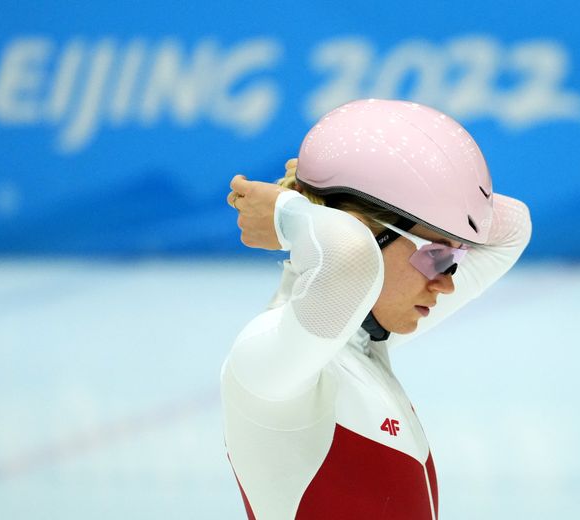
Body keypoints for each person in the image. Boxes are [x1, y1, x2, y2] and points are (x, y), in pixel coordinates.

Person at [221, 99, 531, 520]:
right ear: (366, 234)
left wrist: (315, 208)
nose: (447, 281)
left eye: (455, 258)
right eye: (436, 255)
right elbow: (349, 262)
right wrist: (291, 213)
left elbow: (513, 229)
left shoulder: (363, 348)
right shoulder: (270, 361)